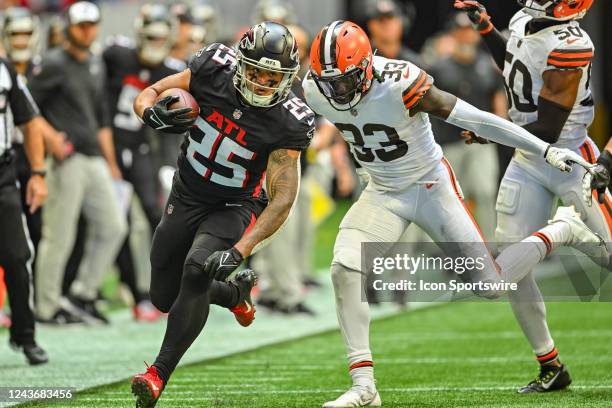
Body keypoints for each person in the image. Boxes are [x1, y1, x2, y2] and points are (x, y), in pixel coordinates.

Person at [303, 20, 603, 407]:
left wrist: (544, 149)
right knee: (345, 267)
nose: (337, 90)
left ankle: (562, 229)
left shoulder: (400, 81)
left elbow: (475, 118)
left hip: (431, 187)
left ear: (368, 64)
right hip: (382, 191)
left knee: (491, 287)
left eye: (345, 80)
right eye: (330, 83)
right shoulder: (315, 89)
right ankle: (364, 387)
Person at [130, 22, 314, 407]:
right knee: (163, 296)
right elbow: (148, 93)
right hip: (186, 193)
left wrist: (242, 249)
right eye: (257, 72)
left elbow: (282, 198)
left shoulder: (289, 120)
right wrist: (149, 114)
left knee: (197, 269)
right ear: (240, 65)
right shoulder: (212, 67)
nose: (263, 83)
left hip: (234, 204)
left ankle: (157, 374)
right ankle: (234, 294)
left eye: (273, 76)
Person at [455, 0, 607, 393]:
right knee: (510, 269)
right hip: (527, 159)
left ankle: (566, 230)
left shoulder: (572, 43)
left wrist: (492, 130)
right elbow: (514, 64)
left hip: (569, 158)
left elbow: (550, 129)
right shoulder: (526, 20)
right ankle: (551, 364)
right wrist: (488, 29)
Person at [30, 1, 127, 325]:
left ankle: (82, 294)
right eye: (81, 25)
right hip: (66, 159)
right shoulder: (54, 63)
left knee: (114, 227)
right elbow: (27, 108)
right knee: (59, 235)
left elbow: (101, 120)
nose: (87, 31)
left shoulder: (95, 64)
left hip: (94, 157)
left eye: (91, 25)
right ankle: (44, 308)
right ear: (69, 28)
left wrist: (111, 162)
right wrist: (49, 137)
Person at [103, 3, 183, 322]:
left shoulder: (172, 71)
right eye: (150, 36)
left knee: (155, 214)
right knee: (116, 221)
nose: (155, 42)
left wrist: (168, 160)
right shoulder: (117, 55)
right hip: (110, 145)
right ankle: (131, 291)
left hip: (140, 150)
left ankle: (157, 292)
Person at [428, 12, 507, 240]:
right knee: (452, 199)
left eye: (468, 30)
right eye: (460, 30)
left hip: (480, 141)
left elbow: (498, 100)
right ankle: (457, 251)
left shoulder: (486, 65)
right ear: (453, 33)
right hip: (449, 142)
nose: (464, 35)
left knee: (485, 193)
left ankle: (491, 248)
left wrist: (499, 132)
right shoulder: (438, 66)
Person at [0, 56, 48, 365]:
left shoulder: (4, 69)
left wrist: (38, 173)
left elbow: (29, 120)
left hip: (2, 174)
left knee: (18, 256)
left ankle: (25, 334)